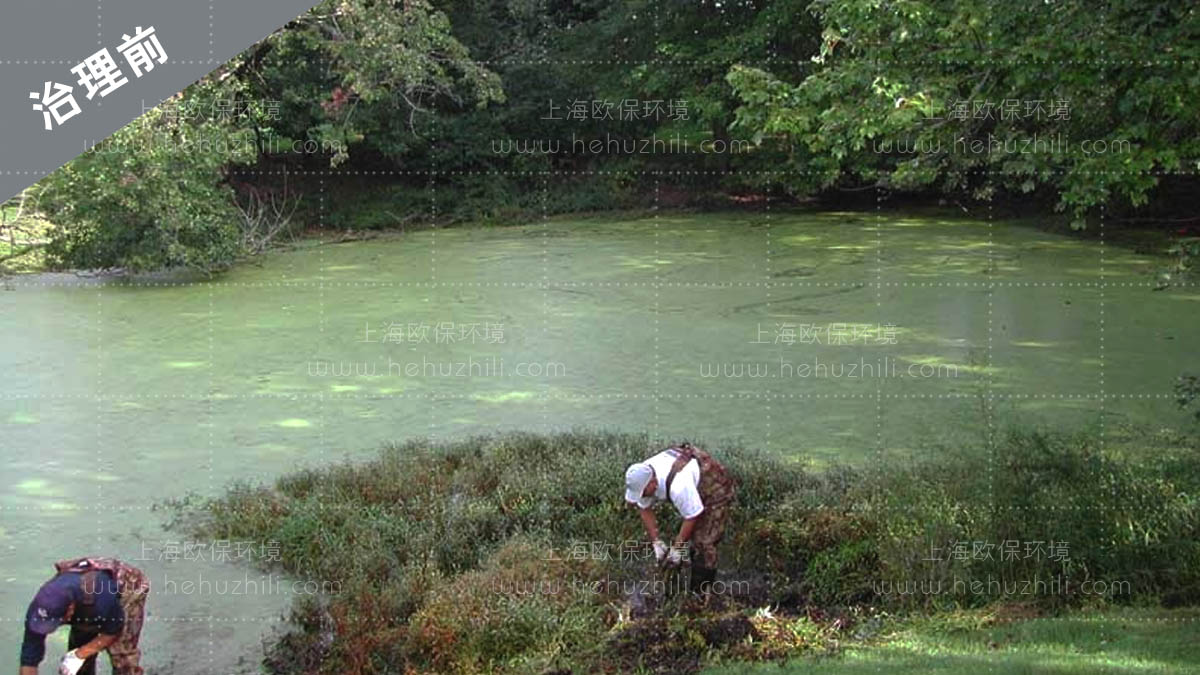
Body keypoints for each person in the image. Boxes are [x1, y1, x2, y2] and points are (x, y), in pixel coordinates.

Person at [624, 442, 736, 595]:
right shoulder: (642, 475)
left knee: (704, 542)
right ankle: (685, 571)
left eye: (643, 492)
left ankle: (701, 592)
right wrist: (656, 541)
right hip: (691, 477)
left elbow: (692, 516)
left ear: (653, 483)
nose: (642, 496)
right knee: (688, 535)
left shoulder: (679, 486)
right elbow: (644, 507)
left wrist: (676, 549)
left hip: (715, 487)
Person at [19, 557, 149, 675]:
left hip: (127, 585)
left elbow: (113, 631)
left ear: (70, 609)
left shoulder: (101, 600)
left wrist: (80, 654)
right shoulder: (37, 612)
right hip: (82, 594)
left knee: (121, 653)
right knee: (79, 648)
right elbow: (29, 659)